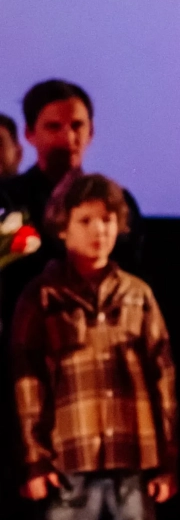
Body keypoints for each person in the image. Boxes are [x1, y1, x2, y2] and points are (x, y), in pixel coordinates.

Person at [10, 173, 177, 520]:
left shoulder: (137, 294)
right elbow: (27, 381)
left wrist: (167, 459)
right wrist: (33, 457)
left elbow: (163, 377)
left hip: (134, 456)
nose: (99, 231)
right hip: (69, 460)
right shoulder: (42, 296)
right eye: (86, 221)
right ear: (62, 229)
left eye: (107, 220)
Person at [1, 80, 144, 333]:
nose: (68, 137)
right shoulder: (7, 198)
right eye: (53, 127)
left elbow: (133, 275)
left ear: (91, 131)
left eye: (77, 125)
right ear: (29, 134)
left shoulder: (118, 202)